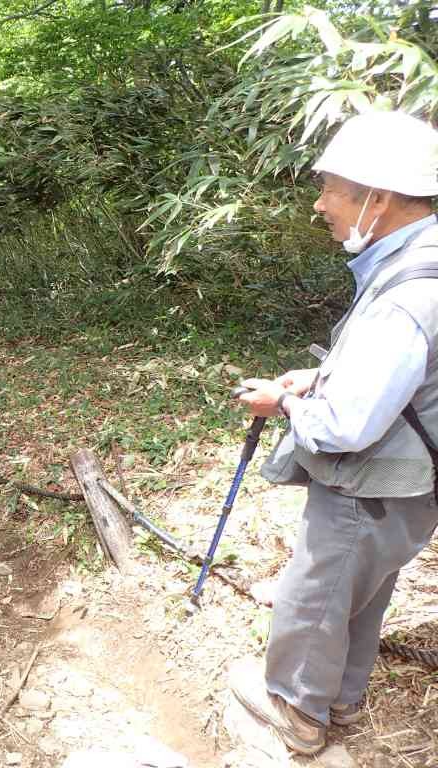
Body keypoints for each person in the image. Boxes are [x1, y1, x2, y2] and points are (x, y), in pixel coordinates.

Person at [233, 111, 438, 757]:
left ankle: (295, 709)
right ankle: (341, 699)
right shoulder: (422, 260)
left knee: (317, 591)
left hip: (371, 482)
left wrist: (282, 403)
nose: (320, 204)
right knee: (364, 590)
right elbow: (405, 376)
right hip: (412, 482)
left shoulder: (409, 293)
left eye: (331, 188)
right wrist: (322, 375)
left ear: (377, 198)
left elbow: (350, 424)